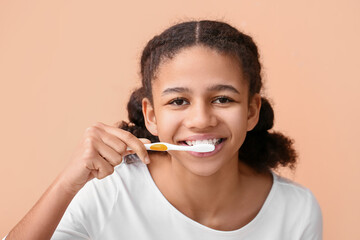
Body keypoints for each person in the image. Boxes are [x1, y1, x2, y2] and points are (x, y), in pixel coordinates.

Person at [4, 19, 322, 240]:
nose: (201, 119)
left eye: (222, 99)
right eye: (179, 101)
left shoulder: (296, 210)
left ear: (251, 111)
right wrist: (65, 185)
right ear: (151, 115)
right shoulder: (110, 190)